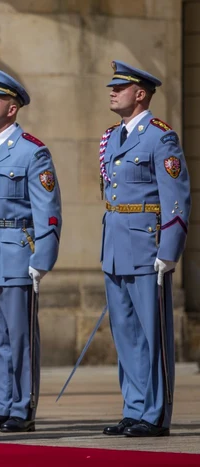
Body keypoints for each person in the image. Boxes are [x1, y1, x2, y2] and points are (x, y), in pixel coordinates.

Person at [0, 70, 61, 433]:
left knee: (19, 337)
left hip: (17, 252)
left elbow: (47, 210)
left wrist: (43, 258)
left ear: (12, 108)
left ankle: (22, 406)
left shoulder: (32, 152)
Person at [99, 61, 190, 437]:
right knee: (126, 335)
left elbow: (177, 197)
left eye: (119, 87)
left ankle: (154, 414)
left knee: (152, 335)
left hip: (146, 245)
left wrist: (168, 250)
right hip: (116, 245)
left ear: (140, 93)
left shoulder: (160, 137)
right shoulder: (112, 136)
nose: (112, 91)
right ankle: (134, 408)